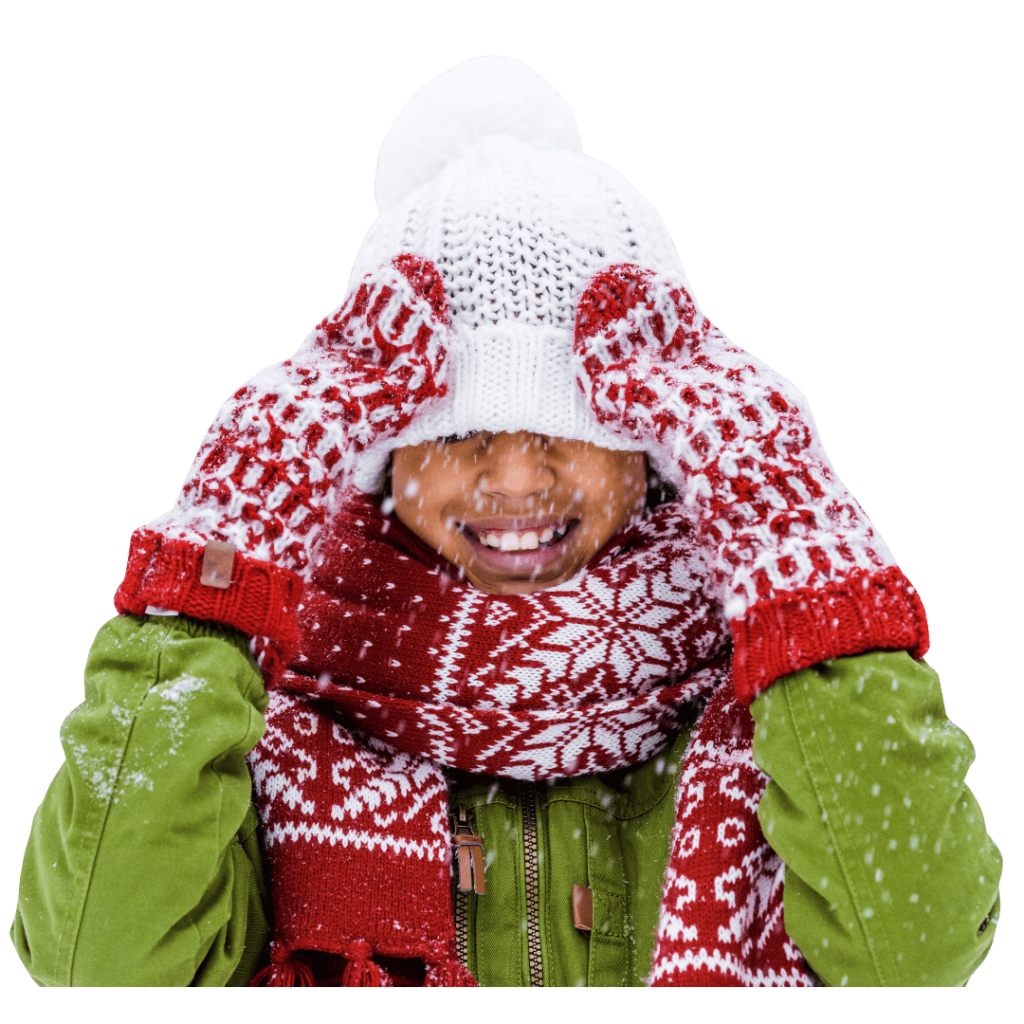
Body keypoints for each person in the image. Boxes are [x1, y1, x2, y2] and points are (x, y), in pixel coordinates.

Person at [11, 55, 1001, 988]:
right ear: (378, 453)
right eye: (461, 432)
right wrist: (223, 538)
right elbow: (98, 960)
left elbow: (913, 951)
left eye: (574, 430)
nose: (518, 476)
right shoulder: (256, 714)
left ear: (662, 445)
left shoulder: (783, 715)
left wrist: (790, 521)